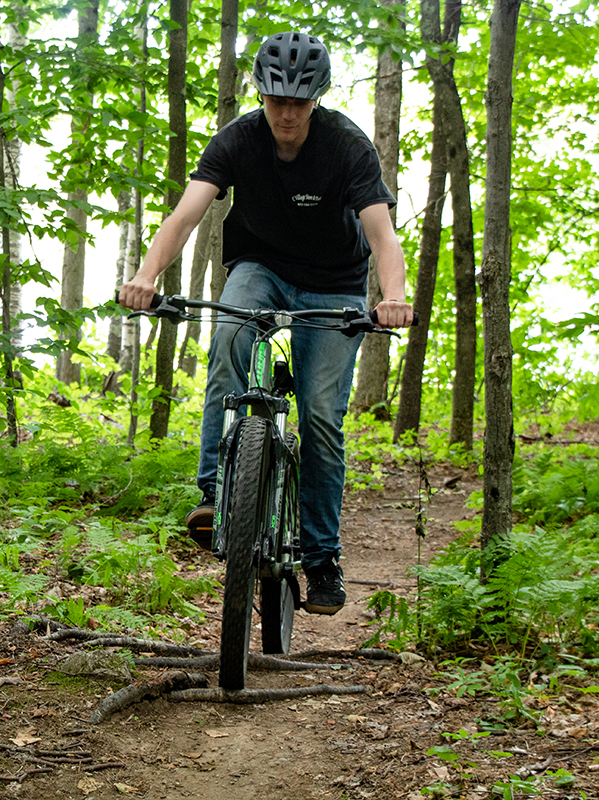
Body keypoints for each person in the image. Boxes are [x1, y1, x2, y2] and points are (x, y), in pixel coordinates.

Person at [118, 31, 413, 616]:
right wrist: (146, 275)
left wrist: (394, 298)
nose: (286, 112)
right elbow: (184, 215)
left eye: (298, 102)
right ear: (261, 94)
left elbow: (383, 235)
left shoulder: (347, 146)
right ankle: (216, 494)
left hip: (334, 282)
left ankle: (323, 558)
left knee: (322, 415)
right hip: (260, 266)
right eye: (276, 99)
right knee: (229, 336)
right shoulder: (237, 141)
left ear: (316, 100)